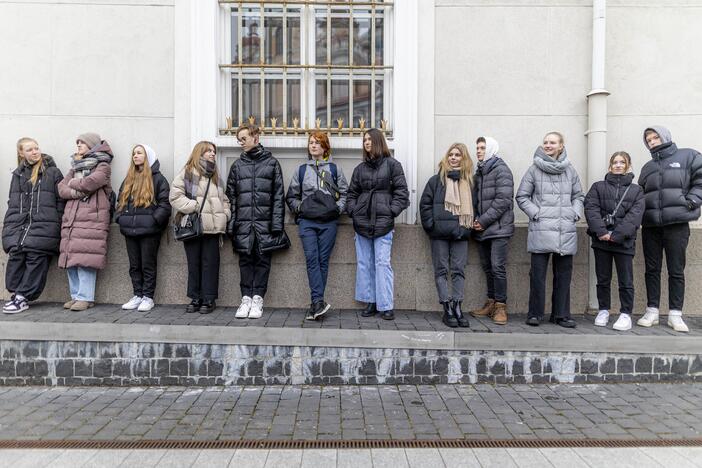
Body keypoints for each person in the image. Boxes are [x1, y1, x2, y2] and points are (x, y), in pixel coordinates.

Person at [637, 126, 702, 332]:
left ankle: (675, 314)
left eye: (655, 137)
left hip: (677, 224)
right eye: (649, 139)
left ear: (665, 137)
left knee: (676, 270)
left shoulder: (688, 156)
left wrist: (691, 202)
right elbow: (640, 194)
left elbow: (700, 181)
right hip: (651, 226)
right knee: (652, 270)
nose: (653, 141)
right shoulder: (648, 166)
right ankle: (652, 311)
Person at [516, 131, 585, 328]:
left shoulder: (570, 170)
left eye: (552, 142)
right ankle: (535, 314)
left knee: (563, 275)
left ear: (561, 146)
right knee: (537, 276)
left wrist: (574, 213)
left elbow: (579, 195)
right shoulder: (533, 170)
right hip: (541, 229)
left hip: (565, 229)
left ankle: (561, 315)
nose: (548, 145)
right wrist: (536, 213)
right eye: (545, 142)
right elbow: (522, 196)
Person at [347, 128, 410, 320]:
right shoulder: (360, 169)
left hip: (383, 223)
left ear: (378, 141)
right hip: (362, 223)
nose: (366, 142)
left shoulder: (392, 165)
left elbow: (402, 193)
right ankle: (370, 302)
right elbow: (351, 194)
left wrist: (391, 211)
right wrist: (354, 211)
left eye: (369, 139)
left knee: (382, 264)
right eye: (364, 140)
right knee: (365, 263)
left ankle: (386, 305)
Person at [226, 124, 288, 320]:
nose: (241, 143)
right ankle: (245, 299)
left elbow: (279, 197)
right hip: (243, 224)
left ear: (256, 138)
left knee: (262, 261)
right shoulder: (237, 166)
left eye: (244, 138)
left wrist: (276, 225)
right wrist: (232, 224)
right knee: (245, 261)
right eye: (239, 140)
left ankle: (258, 299)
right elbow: (231, 198)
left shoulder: (272, 164)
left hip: (265, 225)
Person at [286, 131, 348, 321]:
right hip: (307, 223)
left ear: (325, 147)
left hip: (328, 223)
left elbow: (345, 194)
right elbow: (291, 196)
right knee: (312, 259)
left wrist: (337, 210)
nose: (313, 146)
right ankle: (318, 301)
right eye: (311, 143)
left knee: (322, 260)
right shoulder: (301, 170)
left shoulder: (335, 170)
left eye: (317, 143)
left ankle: (316, 304)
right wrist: (301, 208)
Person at [2, 138, 64, 313]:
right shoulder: (18, 174)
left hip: (44, 227)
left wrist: (57, 222)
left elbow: (60, 201)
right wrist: (10, 225)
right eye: (29, 150)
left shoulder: (52, 172)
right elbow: (12, 202)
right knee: (16, 255)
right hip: (19, 227)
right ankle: (16, 293)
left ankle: (23, 297)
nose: (35, 152)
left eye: (36, 148)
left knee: (36, 256)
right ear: (21, 153)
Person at [584, 152, 645, 331]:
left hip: (624, 242)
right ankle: (603, 310)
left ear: (628, 165)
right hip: (601, 241)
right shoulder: (598, 187)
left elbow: (635, 216)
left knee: (626, 280)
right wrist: (602, 232)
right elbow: (591, 208)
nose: (618, 165)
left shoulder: (636, 190)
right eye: (615, 162)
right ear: (610, 165)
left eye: (622, 162)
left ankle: (626, 313)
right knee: (603, 278)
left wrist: (617, 235)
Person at [170, 141, 230, 314]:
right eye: (208, 151)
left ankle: (209, 298)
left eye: (213, 151)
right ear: (199, 153)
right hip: (194, 226)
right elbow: (175, 196)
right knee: (194, 263)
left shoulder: (216, 176)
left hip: (213, 228)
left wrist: (225, 215)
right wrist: (195, 206)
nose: (212, 154)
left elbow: (224, 200)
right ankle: (195, 297)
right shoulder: (188, 173)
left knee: (210, 264)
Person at [57, 133, 114, 311]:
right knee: (71, 259)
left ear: (92, 145)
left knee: (86, 259)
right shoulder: (75, 165)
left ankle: (85, 297)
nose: (79, 146)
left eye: (82, 143)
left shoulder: (103, 166)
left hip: (91, 219)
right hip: (72, 218)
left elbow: (90, 183)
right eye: (77, 143)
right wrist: (76, 190)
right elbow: (61, 188)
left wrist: (74, 183)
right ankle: (75, 296)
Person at [419, 143, 473, 328]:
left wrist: (467, 228)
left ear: (463, 158)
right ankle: (447, 308)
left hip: (461, 234)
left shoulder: (469, 182)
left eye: (458, 155)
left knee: (458, 271)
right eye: (451, 154)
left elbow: (477, 207)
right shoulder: (436, 181)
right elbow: (425, 204)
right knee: (441, 271)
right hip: (439, 235)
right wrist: (430, 226)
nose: (453, 158)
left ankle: (458, 306)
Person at [115, 144, 171, 312]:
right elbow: (120, 201)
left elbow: (165, 204)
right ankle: (137, 295)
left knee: (148, 265)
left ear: (148, 156)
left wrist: (154, 221)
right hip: (130, 230)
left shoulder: (158, 179)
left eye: (139, 153)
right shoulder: (129, 178)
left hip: (149, 231)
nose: (135, 156)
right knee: (134, 265)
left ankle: (148, 297)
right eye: (134, 153)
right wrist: (120, 218)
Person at [470, 136, 514, 325]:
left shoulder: (501, 169)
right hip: (482, 229)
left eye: (482, 147)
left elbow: (503, 200)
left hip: (498, 229)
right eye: (477, 147)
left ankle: (501, 307)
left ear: (491, 149)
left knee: (498, 268)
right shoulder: (480, 171)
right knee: (488, 268)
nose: (479, 151)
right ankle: (491, 302)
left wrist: (483, 220)